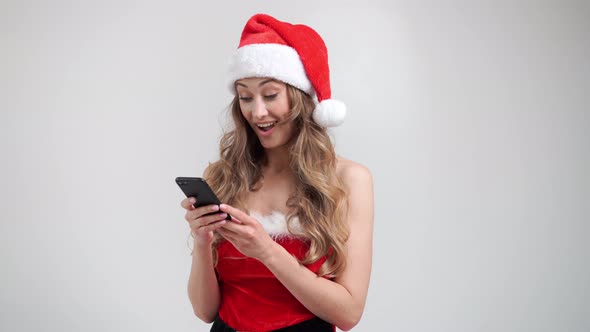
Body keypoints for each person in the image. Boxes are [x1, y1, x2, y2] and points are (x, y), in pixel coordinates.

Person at [180, 13, 374, 332]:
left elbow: (348, 313)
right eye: (245, 97)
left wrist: (267, 251)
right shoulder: (224, 176)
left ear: (300, 99)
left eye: (270, 95)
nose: (257, 112)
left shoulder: (350, 179)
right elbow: (204, 311)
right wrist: (202, 241)